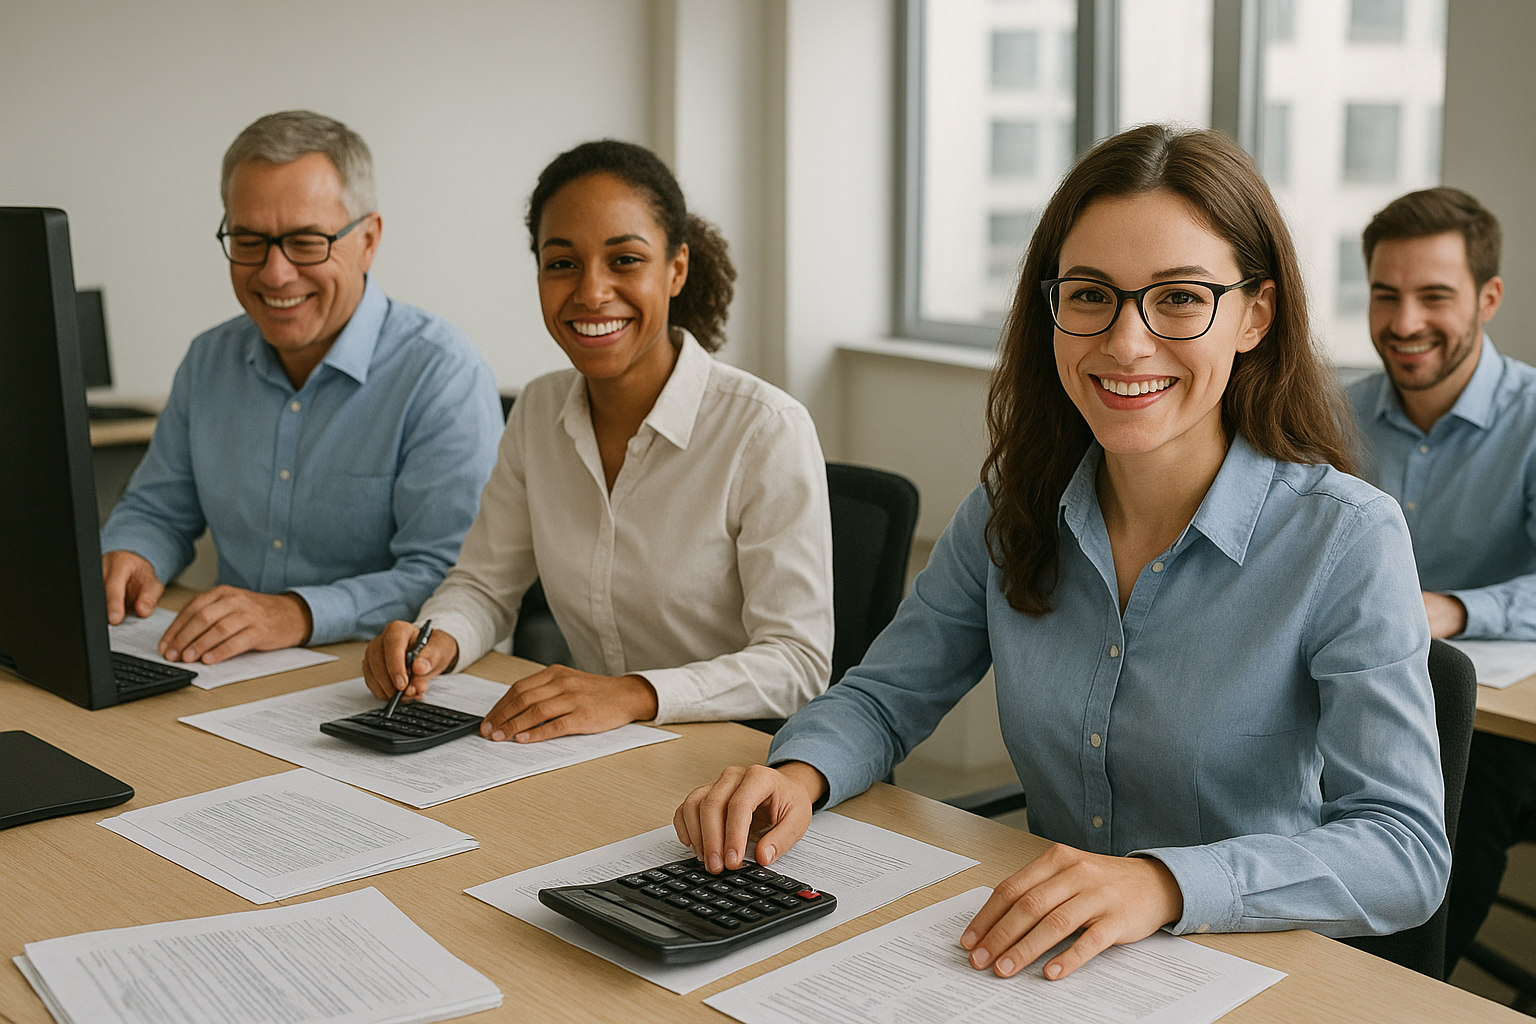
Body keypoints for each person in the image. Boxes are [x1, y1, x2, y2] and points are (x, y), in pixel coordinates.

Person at [675, 124, 1449, 982]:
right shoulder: (1012, 510)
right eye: (1091, 295)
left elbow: (1405, 851)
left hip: (1249, 974)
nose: (1126, 342)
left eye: (1181, 298)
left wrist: (1162, 884)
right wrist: (798, 773)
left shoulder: (1345, 539)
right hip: (1046, 967)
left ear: (1254, 315)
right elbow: (887, 698)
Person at [361, 139, 833, 742]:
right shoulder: (538, 410)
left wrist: (635, 693)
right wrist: (433, 642)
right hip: (600, 747)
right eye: (562, 263)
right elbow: (484, 585)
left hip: (740, 763)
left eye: (625, 260)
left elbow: (797, 663)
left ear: (676, 269)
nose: (590, 292)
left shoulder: (764, 429)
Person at [100, 110, 502, 662]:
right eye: (249, 240)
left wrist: (296, 612)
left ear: (368, 240)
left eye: (306, 242)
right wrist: (131, 553)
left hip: (382, 683)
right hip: (230, 671)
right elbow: (157, 510)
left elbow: (448, 578)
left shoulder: (441, 373)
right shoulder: (208, 360)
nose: (275, 273)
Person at [1342, 187, 1532, 974]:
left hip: (1495, 726)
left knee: (1463, 780)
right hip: (1354, 693)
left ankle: (1406, 993)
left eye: (1434, 296)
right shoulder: (1331, 415)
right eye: (1385, 295)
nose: (1405, 321)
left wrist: (1451, 610)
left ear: (1488, 298)